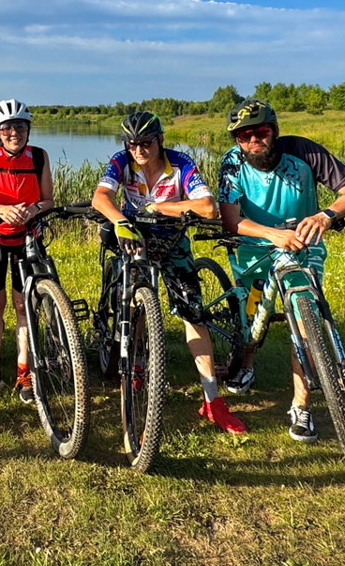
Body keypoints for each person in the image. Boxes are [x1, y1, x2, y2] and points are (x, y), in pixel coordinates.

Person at [217, 97, 345, 443]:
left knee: (305, 320)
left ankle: (301, 405)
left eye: (260, 131)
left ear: (274, 130)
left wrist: (325, 215)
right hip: (255, 248)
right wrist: (273, 234)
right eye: (244, 136)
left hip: (305, 245)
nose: (253, 140)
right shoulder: (232, 163)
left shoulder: (303, 151)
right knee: (253, 315)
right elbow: (230, 218)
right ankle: (245, 362)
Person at [91, 111, 247, 434]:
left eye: (145, 142)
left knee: (194, 317)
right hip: (135, 240)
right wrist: (121, 221)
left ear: (160, 139)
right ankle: (134, 365)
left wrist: (162, 208)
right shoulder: (121, 161)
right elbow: (100, 197)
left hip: (174, 243)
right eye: (132, 143)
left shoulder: (181, 163)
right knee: (133, 306)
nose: (138, 150)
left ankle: (212, 401)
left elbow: (206, 207)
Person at [0, 99, 54, 403]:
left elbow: (48, 201)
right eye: (6, 128)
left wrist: (31, 211)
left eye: (19, 126)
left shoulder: (39, 157)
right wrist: (0, 209)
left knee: (22, 306)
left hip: (27, 238)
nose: (13, 132)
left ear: (28, 129)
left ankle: (23, 372)